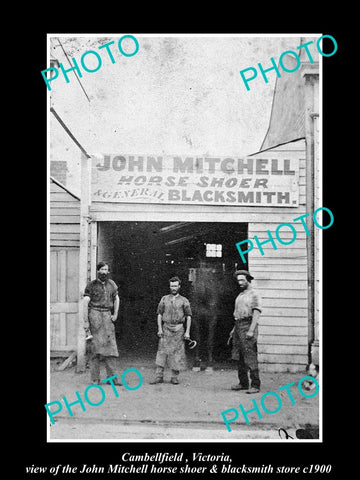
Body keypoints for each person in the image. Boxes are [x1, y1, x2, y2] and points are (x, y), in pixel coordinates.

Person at [83, 262, 121, 385]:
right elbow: (85, 302)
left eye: (106, 270)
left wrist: (115, 314)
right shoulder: (92, 285)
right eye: (102, 270)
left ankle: (112, 379)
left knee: (111, 348)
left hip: (107, 316)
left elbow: (116, 298)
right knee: (94, 348)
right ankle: (95, 379)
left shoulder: (112, 284)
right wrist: (86, 321)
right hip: (95, 315)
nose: (104, 272)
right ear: (98, 271)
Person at [150, 276, 192, 385]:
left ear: (179, 287)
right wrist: (159, 328)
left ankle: (174, 377)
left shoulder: (184, 300)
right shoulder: (164, 299)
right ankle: (159, 376)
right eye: (172, 286)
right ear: (169, 286)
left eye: (175, 286)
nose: (173, 288)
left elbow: (188, 316)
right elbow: (159, 314)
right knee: (162, 352)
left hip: (178, 329)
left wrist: (187, 331)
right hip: (166, 328)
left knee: (177, 353)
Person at [229, 270, 261, 394]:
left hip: (248, 325)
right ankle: (243, 383)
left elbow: (256, 313)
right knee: (240, 356)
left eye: (242, 280)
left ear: (248, 279)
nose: (240, 282)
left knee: (250, 355)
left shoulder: (254, 294)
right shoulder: (241, 295)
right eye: (238, 280)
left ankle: (255, 385)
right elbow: (237, 314)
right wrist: (233, 330)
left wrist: (251, 330)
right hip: (238, 325)